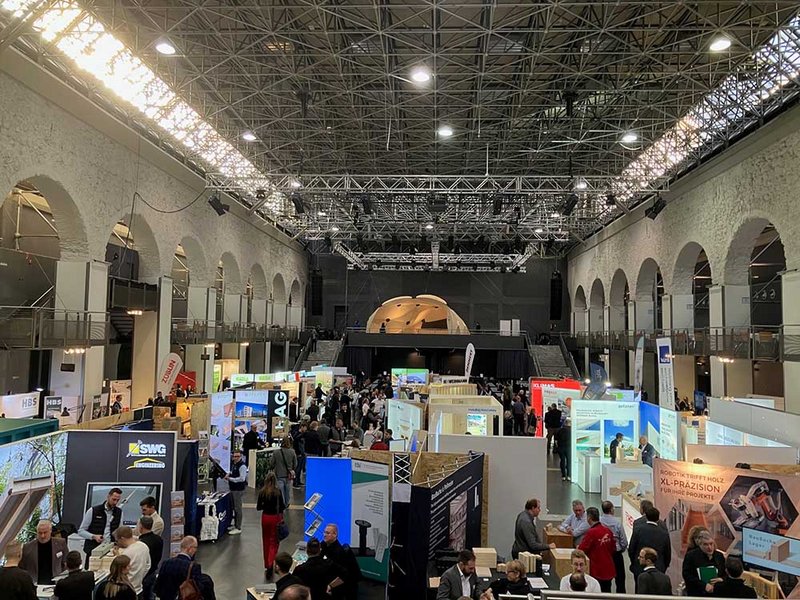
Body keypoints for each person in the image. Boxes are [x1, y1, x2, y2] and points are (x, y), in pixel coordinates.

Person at [78, 487, 122, 567]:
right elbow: (81, 531)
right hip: (93, 550)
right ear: (108, 497)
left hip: (110, 551)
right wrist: (93, 536)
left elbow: (120, 531)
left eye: (117, 500)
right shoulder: (93, 510)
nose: (115, 502)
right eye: (114, 499)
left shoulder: (119, 512)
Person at [629, 506, 671, 586]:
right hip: (658, 567)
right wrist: (664, 565)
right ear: (658, 519)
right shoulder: (664, 533)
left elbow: (631, 549)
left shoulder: (638, 530)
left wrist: (634, 562)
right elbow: (667, 552)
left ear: (646, 517)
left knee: (640, 588)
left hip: (640, 566)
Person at [577, 506, 616, 592]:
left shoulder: (591, 532)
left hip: (597, 570)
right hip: (608, 569)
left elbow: (581, 550)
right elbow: (613, 548)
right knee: (607, 592)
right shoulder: (608, 531)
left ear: (589, 518)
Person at [19, 519, 68, 584]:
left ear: (50, 531)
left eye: (45, 532)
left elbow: (66, 562)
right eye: (40, 533)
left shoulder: (61, 543)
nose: (42, 536)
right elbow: (22, 567)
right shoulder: (27, 547)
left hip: (56, 583)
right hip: (35, 583)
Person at [257, 471, 286, 578]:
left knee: (265, 541)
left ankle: (267, 564)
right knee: (273, 542)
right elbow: (282, 507)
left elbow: (258, 507)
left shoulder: (262, 492)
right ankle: (271, 564)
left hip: (265, 518)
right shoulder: (278, 492)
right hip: (275, 518)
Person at [321, 523, 361, 600]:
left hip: (344, 581)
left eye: (327, 533)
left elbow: (344, 576)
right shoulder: (324, 544)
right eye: (324, 532)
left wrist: (330, 586)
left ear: (335, 535)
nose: (324, 535)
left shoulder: (339, 552)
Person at [682, 531, 726, 597]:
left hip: (716, 594)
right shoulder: (691, 556)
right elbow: (687, 575)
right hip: (697, 594)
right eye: (706, 544)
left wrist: (722, 579)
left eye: (711, 544)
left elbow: (725, 574)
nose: (709, 547)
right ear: (700, 545)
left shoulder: (719, 556)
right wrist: (703, 585)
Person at [113, 526, 150, 597]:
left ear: (122, 538)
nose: (117, 543)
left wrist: (117, 556)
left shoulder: (126, 553)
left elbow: (118, 571)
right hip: (139, 589)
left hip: (126, 591)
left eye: (117, 540)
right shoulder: (144, 546)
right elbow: (148, 566)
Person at [600, 501, 628, 593]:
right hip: (616, 554)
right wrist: (621, 549)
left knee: (605, 579)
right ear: (611, 510)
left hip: (604, 553)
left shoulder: (599, 521)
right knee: (620, 579)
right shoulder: (617, 523)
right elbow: (624, 541)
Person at [137, 516, 163, 600]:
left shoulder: (142, 543)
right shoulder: (159, 539)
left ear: (141, 527)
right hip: (153, 572)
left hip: (143, 576)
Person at [225, 450, 248, 534]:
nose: (235, 458)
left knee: (238, 508)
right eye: (234, 456)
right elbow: (233, 472)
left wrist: (230, 479)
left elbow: (242, 478)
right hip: (233, 489)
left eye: (237, 456)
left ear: (240, 457)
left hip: (238, 489)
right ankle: (235, 525)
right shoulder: (234, 464)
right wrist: (229, 474)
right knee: (234, 507)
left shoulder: (242, 466)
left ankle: (238, 527)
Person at [274, 436, 298, 505]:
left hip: (279, 474)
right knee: (287, 491)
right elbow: (295, 464)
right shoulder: (292, 451)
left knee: (281, 491)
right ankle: (286, 504)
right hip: (288, 475)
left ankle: (282, 504)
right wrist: (292, 469)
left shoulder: (276, 452)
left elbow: (272, 463)